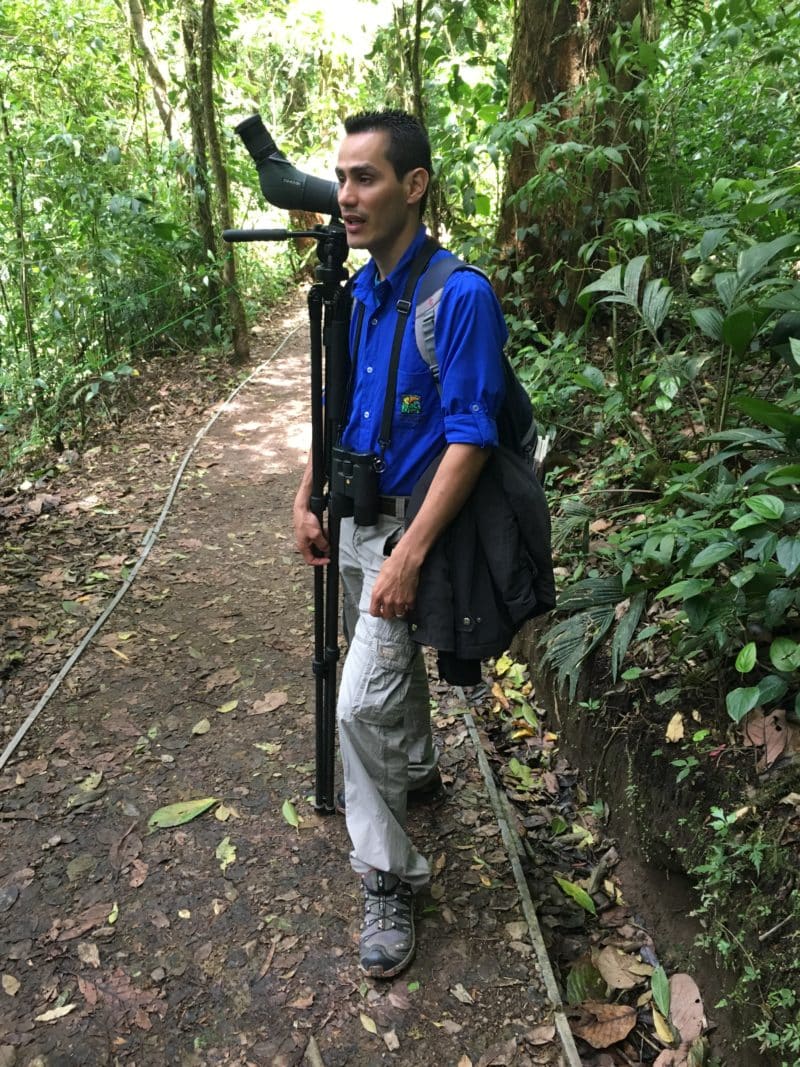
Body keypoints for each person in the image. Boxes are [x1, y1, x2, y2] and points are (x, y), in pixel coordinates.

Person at [292, 109, 508, 979]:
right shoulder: (363, 292)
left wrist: (411, 554)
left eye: (365, 178)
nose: (345, 196)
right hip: (354, 514)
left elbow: (472, 437)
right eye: (341, 177)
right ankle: (418, 770)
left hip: (411, 527)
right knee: (382, 672)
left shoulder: (459, 296)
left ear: (414, 185)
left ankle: (389, 873)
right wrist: (306, 492)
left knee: (354, 705)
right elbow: (338, 405)